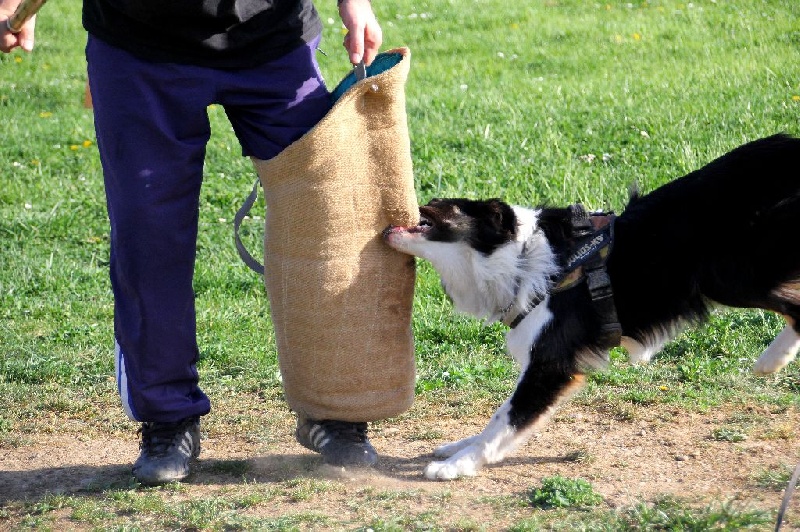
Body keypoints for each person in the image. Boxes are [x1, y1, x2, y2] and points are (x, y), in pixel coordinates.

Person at [1, 0, 385, 485]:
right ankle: (168, 418)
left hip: (271, 39)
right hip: (140, 46)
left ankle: (335, 411)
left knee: (329, 222)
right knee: (149, 236)